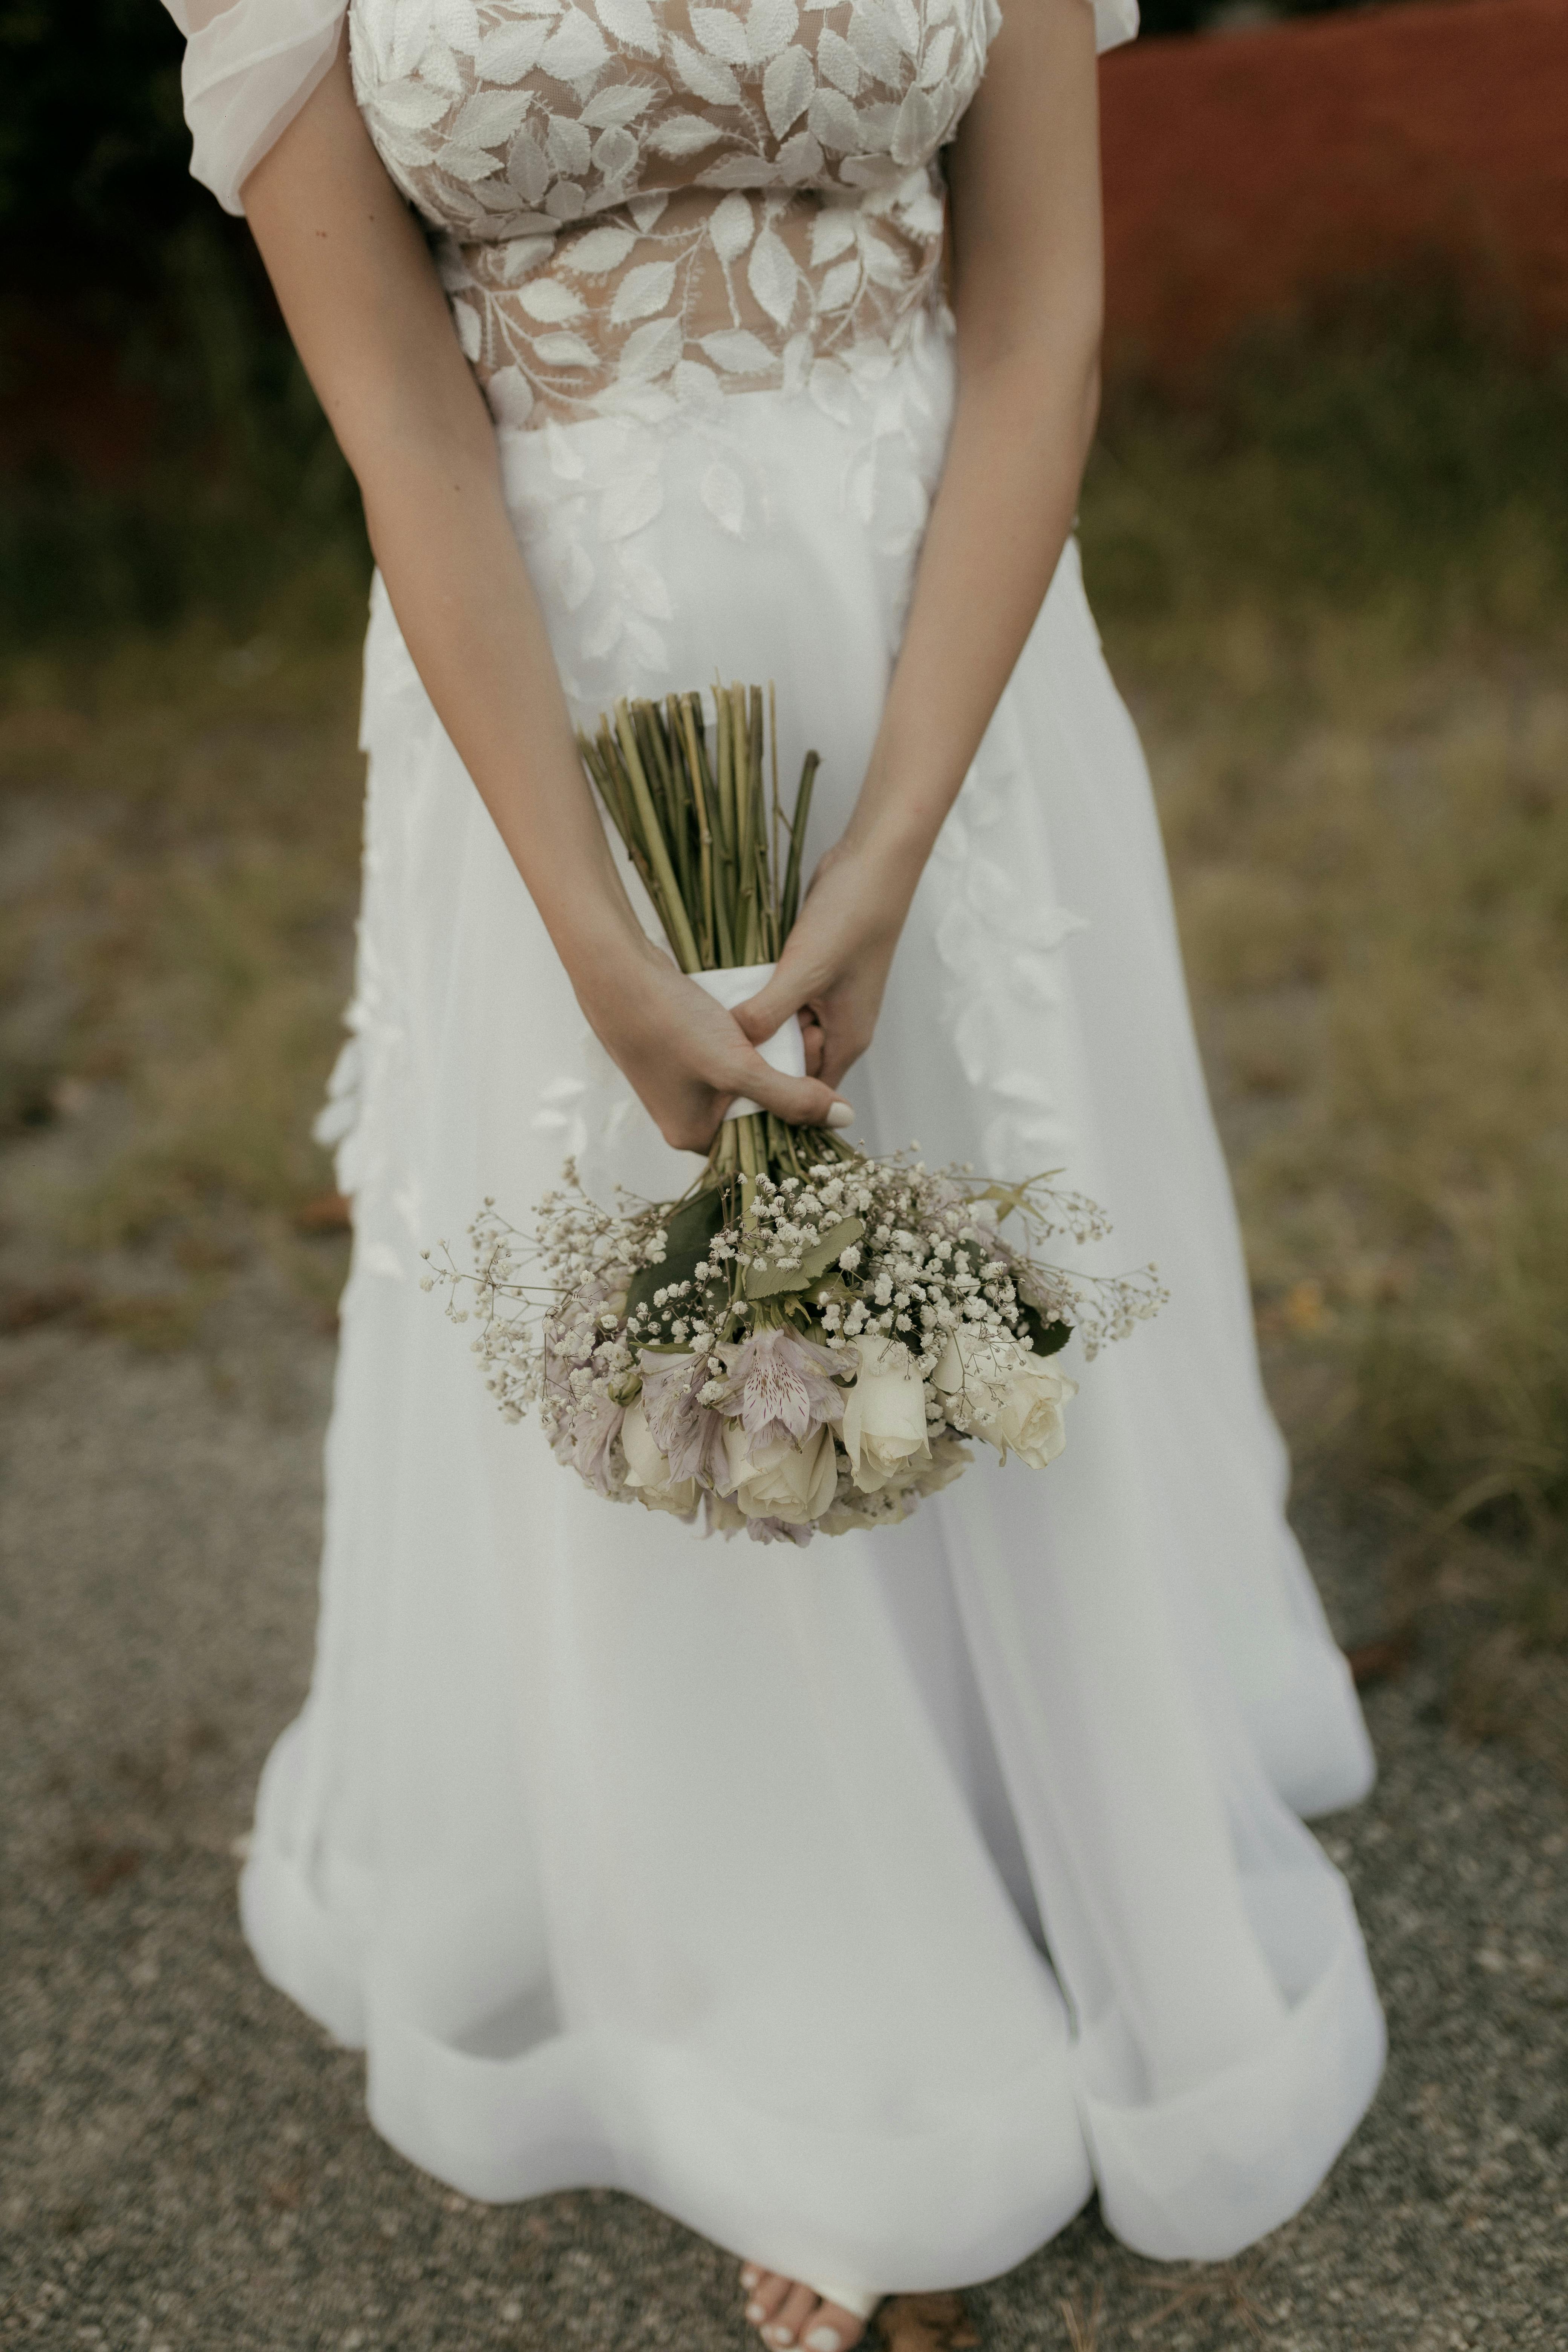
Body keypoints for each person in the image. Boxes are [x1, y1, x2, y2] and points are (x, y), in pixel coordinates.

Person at [162, 1, 1385, 2344]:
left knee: (989, 1253)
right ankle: (816, 2036)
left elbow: (1041, 315)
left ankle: (1076, 1823)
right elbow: (404, 418)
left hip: (949, 646)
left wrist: (908, 823)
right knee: (679, 1353)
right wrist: (594, 934)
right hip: (554, 717)